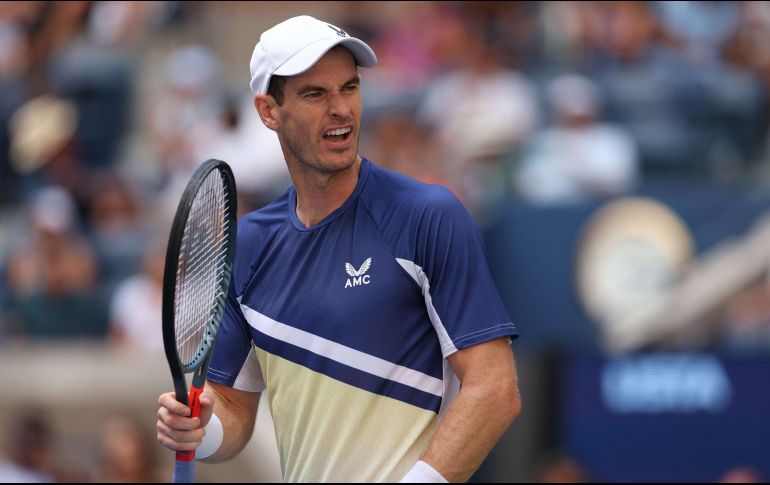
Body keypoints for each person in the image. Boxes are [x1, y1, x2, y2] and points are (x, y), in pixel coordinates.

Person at [156, 15, 521, 483]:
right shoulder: (249, 244)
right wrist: (201, 431)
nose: (341, 109)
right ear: (269, 111)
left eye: (349, 88)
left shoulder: (428, 215)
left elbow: (495, 390)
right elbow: (234, 410)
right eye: (315, 94)